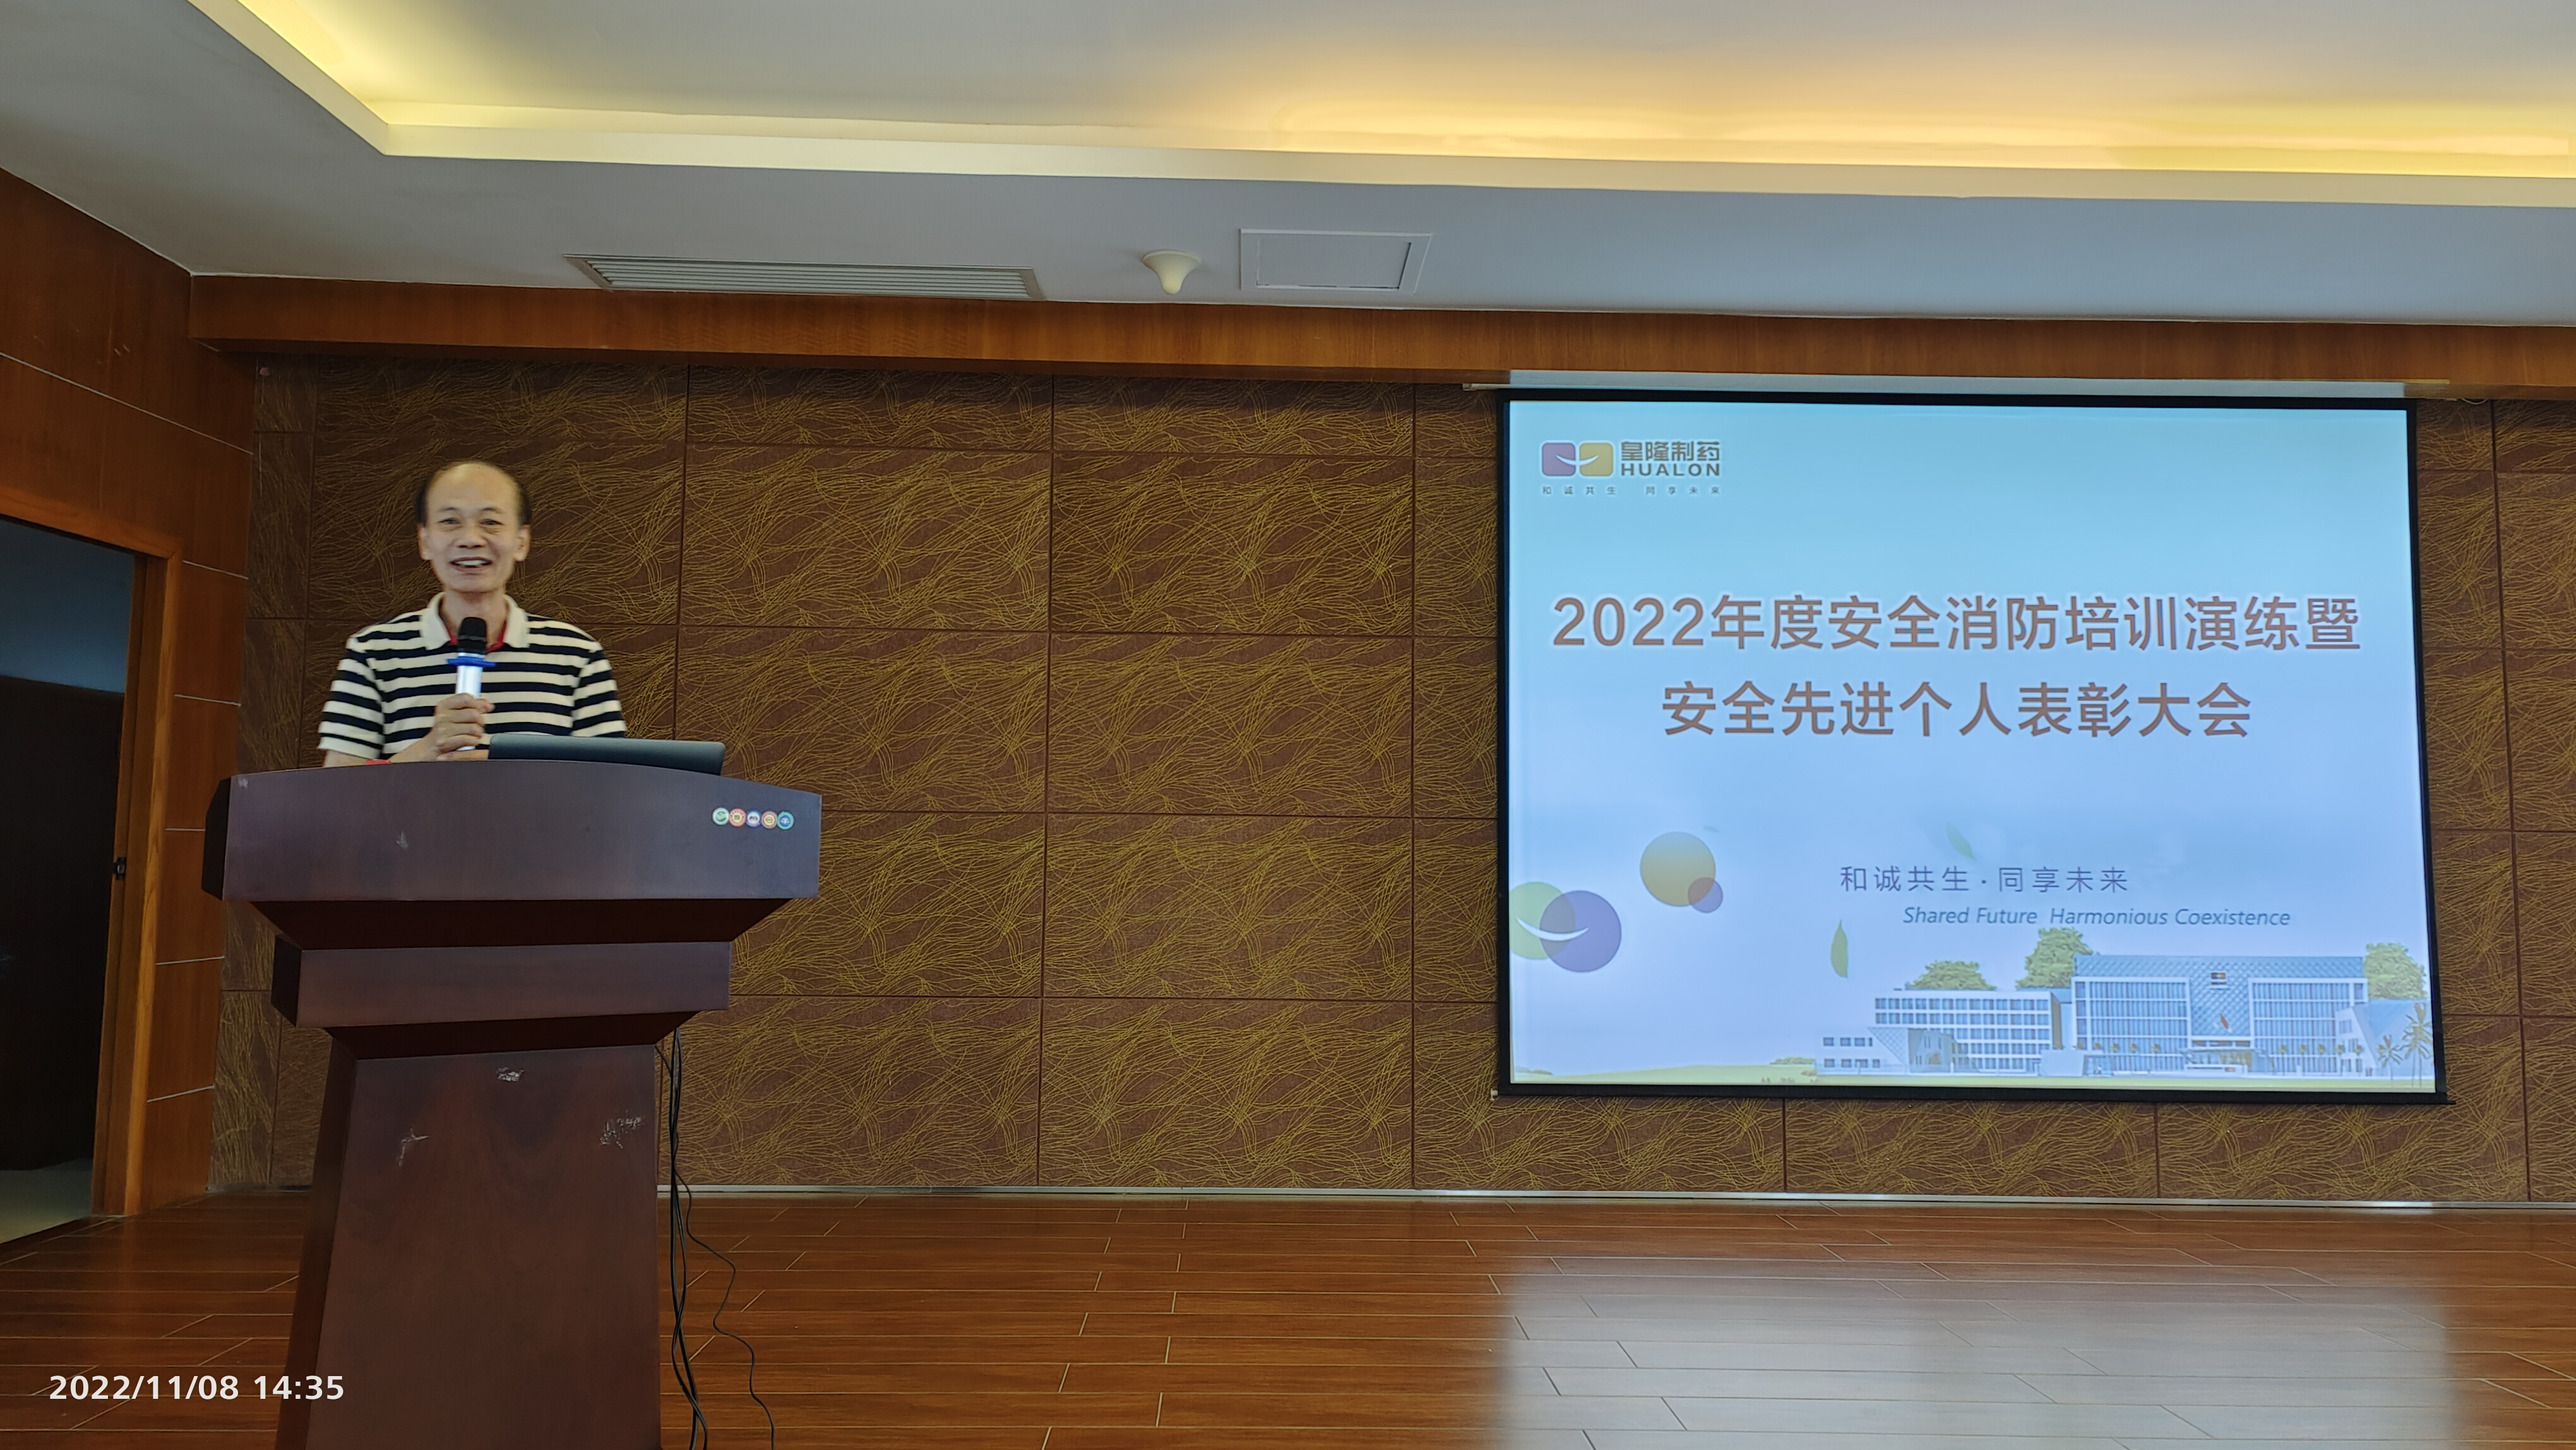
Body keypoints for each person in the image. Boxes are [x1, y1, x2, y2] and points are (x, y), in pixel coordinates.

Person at [318, 460, 624, 765]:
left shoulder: (577, 656)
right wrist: (426, 751)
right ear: (425, 541)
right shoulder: (373, 652)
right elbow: (338, 789)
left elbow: (613, 782)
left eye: (490, 522)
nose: (470, 539)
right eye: (450, 521)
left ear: (521, 541)